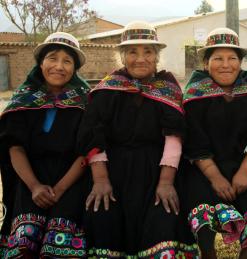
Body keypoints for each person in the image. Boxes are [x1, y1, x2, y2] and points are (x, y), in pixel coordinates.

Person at [77, 21, 198, 258]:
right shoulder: (107, 90)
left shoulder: (168, 88)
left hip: (158, 169)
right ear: (122, 57)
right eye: (132, 52)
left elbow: (173, 137)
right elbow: (94, 134)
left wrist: (166, 183)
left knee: (163, 220)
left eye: (148, 52)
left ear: (156, 57)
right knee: (104, 219)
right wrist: (100, 180)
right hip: (113, 170)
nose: (140, 58)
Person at [181, 28, 247, 259]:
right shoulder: (194, 94)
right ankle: (208, 252)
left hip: (244, 162)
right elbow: (194, 139)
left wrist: (245, 171)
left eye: (232, 58)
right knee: (199, 204)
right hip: (204, 166)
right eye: (218, 59)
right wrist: (215, 177)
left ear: (241, 62)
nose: (226, 65)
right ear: (206, 63)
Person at [0, 32, 90, 258]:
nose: (59, 66)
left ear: (74, 68)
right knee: (25, 247)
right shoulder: (23, 101)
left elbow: (87, 151)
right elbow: (15, 147)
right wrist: (34, 187)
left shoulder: (86, 103)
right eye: (52, 58)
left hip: (71, 180)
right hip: (30, 179)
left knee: (60, 249)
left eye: (67, 61)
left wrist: (59, 189)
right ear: (41, 63)